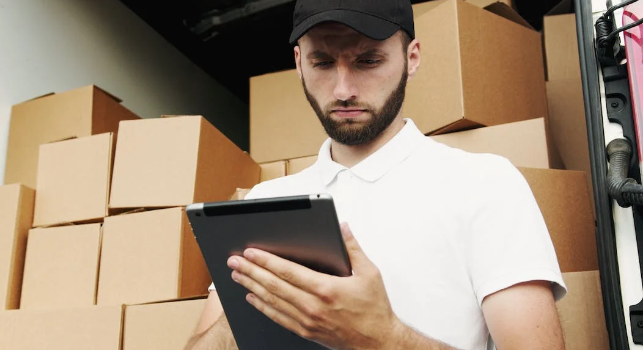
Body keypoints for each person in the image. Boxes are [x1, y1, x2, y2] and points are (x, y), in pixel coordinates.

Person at [184, 1, 567, 349]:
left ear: (411, 57)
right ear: (299, 62)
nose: (343, 90)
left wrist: (383, 335)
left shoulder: (485, 184)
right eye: (322, 63)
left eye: (368, 61)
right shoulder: (262, 203)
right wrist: (254, 306)